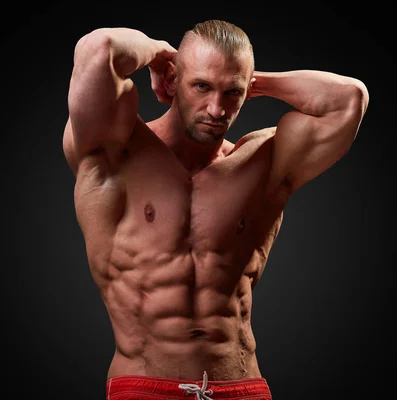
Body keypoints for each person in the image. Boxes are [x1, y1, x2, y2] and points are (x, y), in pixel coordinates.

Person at [62, 19, 369, 400]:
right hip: (144, 387)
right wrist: (160, 54)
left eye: (232, 93)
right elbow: (99, 48)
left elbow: (350, 99)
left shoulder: (263, 162)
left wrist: (253, 81)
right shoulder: (115, 149)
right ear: (174, 80)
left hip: (242, 387)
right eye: (202, 86)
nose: (216, 108)